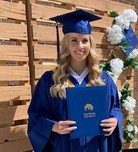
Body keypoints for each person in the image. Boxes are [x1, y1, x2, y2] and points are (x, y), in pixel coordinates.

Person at [27, 9, 123, 152]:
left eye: (84, 40)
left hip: (97, 146)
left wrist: (115, 120)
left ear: (90, 44)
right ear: (66, 44)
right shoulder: (50, 80)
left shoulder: (103, 79)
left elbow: (115, 108)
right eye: (74, 40)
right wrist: (53, 126)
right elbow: (36, 115)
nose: (80, 46)